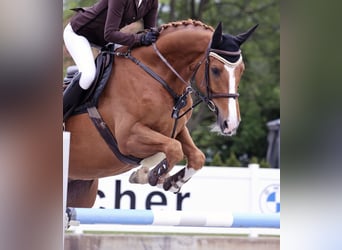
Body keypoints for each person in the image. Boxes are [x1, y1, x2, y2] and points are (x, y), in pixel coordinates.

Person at [63, 0, 159, 121]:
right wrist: (140, 38)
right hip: (79, 33)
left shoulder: (152, 2)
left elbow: (149, 32)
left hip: (102, 39)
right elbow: (109, 34)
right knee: (88, 75)